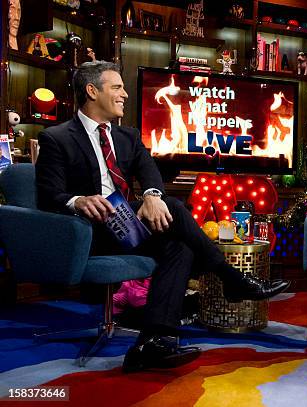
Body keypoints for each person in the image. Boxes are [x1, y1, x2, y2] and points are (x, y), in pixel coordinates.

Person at [35, 61, 290, 373]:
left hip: (127, 227)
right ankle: (232, 280)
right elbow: (48, 196)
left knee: (178, 240)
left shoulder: (127, 136)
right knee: (179, 217)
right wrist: (79, 201)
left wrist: (152, 196)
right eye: (116, 87)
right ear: (91, 91)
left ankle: (152, 342)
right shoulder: (57, 138)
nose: (125, 94)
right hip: (88, 231)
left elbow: (149, 173)